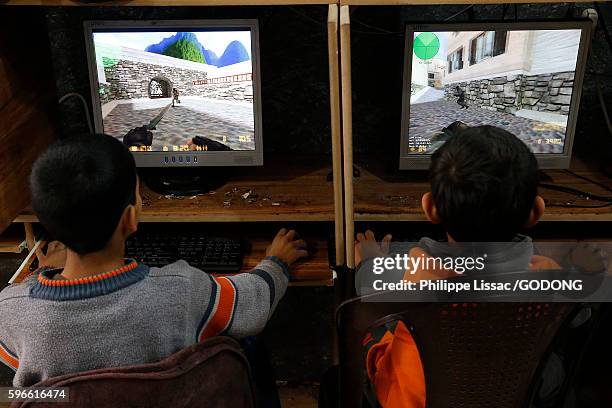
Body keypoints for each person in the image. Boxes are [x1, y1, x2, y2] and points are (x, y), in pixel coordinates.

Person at [0, 134, 307, 391]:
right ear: (131, 218)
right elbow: (250, 308)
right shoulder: (181, 290)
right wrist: (276, 263)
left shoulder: (11, 308)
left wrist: (43, 272)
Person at [354, 125, 551, 408]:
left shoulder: (414, 273)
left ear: (430, 207)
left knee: (373, 332)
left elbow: (366, 282)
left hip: (414, 398)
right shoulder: (549, 276)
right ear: (536, 211)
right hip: (514, 391)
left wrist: (372, 259)